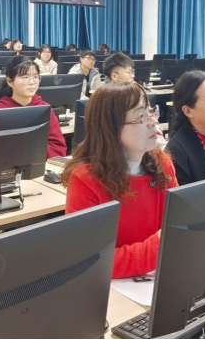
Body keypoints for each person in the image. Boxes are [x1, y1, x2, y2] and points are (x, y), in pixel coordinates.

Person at [62, 82, 177, 279]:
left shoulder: (162, 164)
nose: (153, 123)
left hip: (159, 276)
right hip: (112, 288)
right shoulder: (85, 179)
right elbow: (90, 260)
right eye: (141, 117)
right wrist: (160, 246)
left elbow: (176, 229)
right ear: (112, 127)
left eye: (151, 112)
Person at [0, 56, 67, 159]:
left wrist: (29, 150)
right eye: (25, 77)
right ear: (9, 81)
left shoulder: (44, 109)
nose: (32, 82)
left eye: (36, 77)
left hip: (42, 166)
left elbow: (58, 148)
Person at [104, 52, 167, 151]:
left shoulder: (139, 93)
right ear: (114, 76)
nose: (133, 76)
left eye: (132, 72)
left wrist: (161, 147)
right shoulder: (106, 100)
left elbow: (155, 126)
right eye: (129, 72)